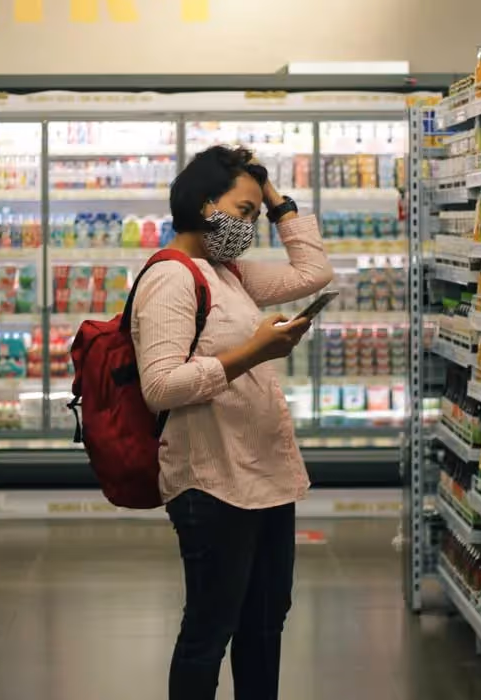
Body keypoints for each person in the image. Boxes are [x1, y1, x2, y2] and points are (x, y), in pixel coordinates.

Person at [130, 145, 333, 700]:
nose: (250, 226)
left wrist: (273, 198)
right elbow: (160, 387)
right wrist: (254, 353)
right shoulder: (171, 279)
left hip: (264, 479)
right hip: (212, 482)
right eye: (242, 213)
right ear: (203, 205)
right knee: (209, 632)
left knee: (264, 627)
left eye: (252, 214)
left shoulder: (230, 272)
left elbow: (315, 271)